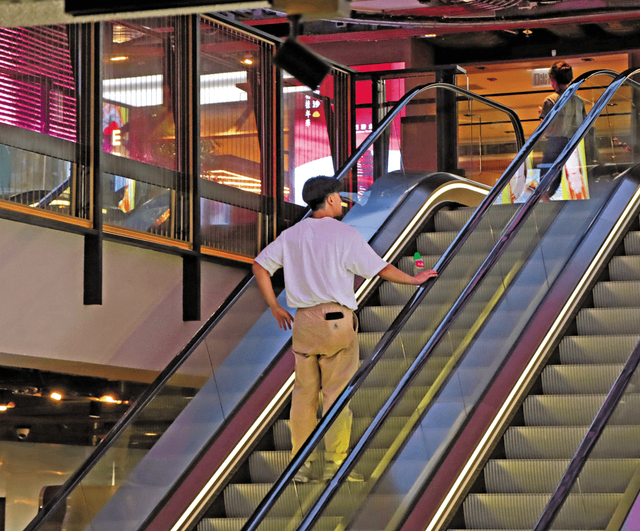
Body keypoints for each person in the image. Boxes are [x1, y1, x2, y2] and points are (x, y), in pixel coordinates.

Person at [252, 176, 437, 483]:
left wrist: (275, 306)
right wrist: (415, 279)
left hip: (303, 322)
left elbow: (259, 266)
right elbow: (380, 269)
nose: (341, 200)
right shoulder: (344, 234)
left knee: (304, 396)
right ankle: (336, 466)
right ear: (331, 200)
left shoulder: (291, 235)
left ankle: (301, 467)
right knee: (335, 396)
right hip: (336, 322)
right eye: (338, 196)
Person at [538, 61, 586, 196]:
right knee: (573, 186)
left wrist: (541, 115)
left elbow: (546, 128)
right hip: (574, 146)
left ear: (553, 80)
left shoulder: (550, 100)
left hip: (554, 146)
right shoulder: (579, 100)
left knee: (546, 188)